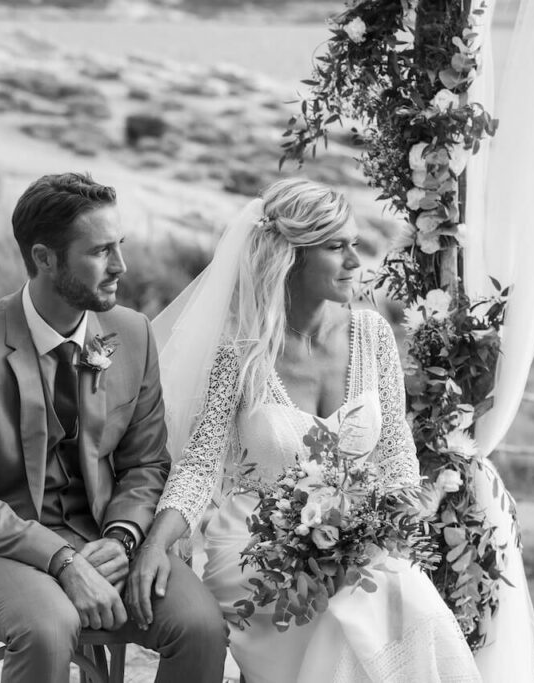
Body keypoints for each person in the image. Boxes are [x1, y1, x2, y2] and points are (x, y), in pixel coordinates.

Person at [127, 177, 482, 683]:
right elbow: (199, 466)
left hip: (357, 543)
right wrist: (156, 545)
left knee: (409, 596)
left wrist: (384, 538)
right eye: (336, 247)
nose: (356, 262)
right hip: (255, 551)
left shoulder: (373, 335)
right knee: (342, 617)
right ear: (290, 256)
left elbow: (397, 457)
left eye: (354, 244)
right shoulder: (241, 352)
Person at [0, 172, 227, 683]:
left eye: (119, 246)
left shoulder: (133, 334)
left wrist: (124, 538)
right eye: (101, 252)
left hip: (103, 537)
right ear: (44, 258)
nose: (120, 267)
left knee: (201, 626)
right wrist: (62, 561)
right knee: (48, 626)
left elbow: (146, 462)